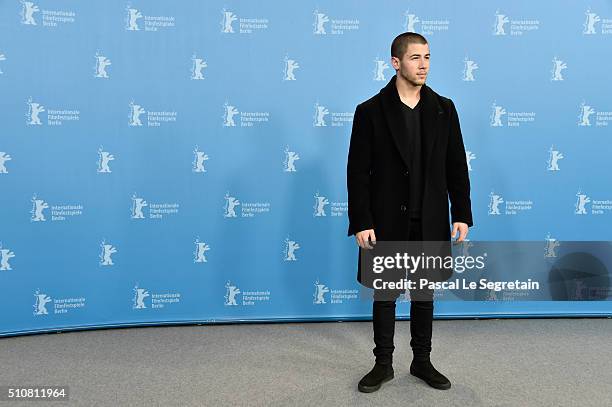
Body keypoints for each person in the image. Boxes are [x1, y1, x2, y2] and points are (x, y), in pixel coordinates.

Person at [346, 32, 473, 393]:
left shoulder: (444, 108)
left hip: (429, 217)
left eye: (428, 57)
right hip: (385, 219)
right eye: (416, 58)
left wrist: (460, 213)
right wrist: (362, 221)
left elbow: (455, 166)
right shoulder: (369, 111)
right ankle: (382, 364)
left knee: (424, 292)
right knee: (384, 293)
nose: (424, 65)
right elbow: (357, 171)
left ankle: (422, 361)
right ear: (396, 63)